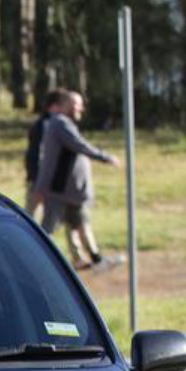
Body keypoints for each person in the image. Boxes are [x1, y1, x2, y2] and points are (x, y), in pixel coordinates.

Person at [34, 89, 122, 270]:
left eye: (81, 104)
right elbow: (79, 145)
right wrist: (105, 157)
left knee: (81, 223)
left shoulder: (64, 123)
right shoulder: (59, 124)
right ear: (65, 105)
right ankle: (35, 263)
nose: (80, 108)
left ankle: (96, 260)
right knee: (47, 230)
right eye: (76, 104)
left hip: (71, 191)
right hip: (58, 190)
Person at [23, 89, 66, 224]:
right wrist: (38, 180)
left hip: (47, 179)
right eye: (63, 105)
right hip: (41, 179)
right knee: (31, 219)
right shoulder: (46, 126)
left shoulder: (52, 124)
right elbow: (39, 155)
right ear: (54, 106)